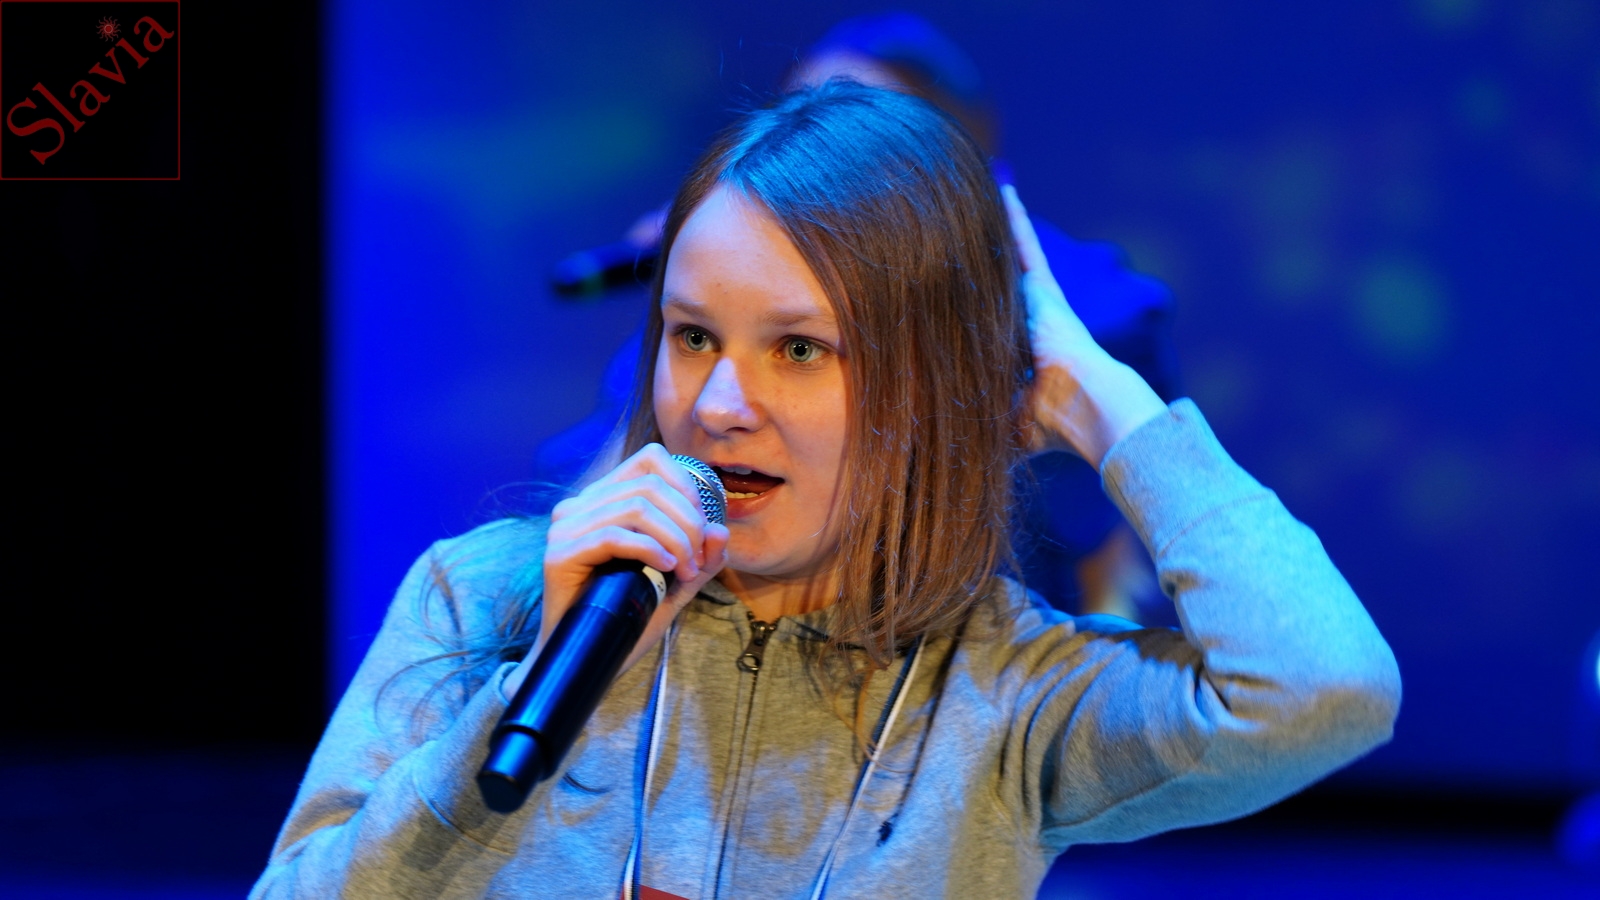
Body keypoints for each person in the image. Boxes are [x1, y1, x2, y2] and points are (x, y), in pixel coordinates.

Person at [252, 82, 1400, 898]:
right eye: (693, 336)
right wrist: (516, 701)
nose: (718, 404)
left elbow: (1325, 687)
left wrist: (1106, 409)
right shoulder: (481, 601)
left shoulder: (1007, 691)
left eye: (799, 349)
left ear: (928, 381)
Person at [541, 12, 1180, 622]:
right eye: (799, 128)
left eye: (857, 137)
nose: (814, 165)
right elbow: (581, 480)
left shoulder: (1091, 302)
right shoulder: (720, 310)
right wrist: (712, 266)